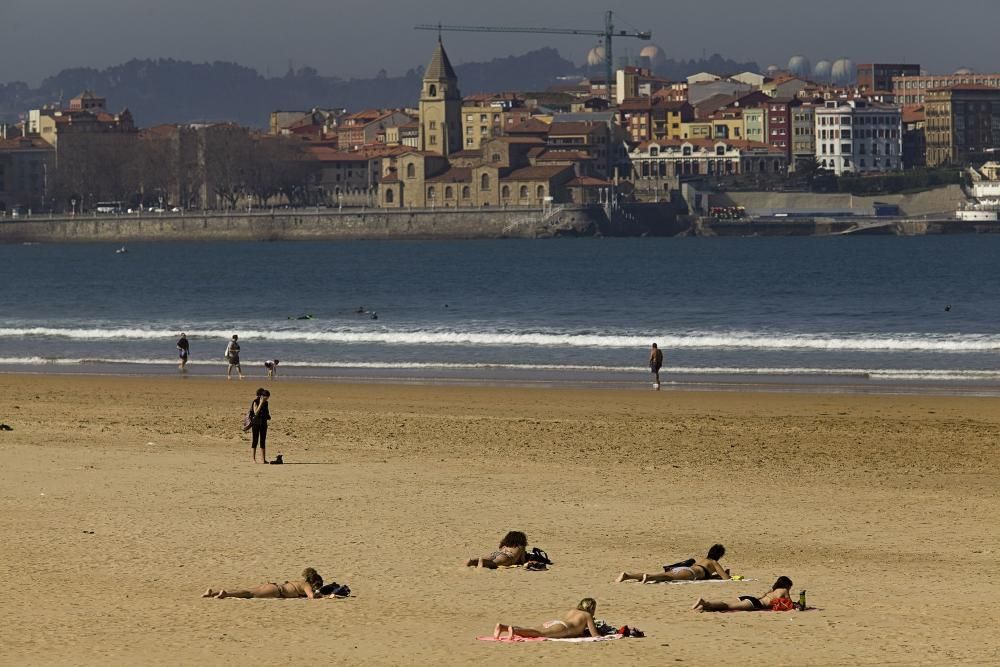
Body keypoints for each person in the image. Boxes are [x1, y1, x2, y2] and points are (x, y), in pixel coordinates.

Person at [493, 598, 601, 640]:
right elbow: (595, 635)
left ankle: (504, 627)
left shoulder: (573, 611)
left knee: (533, 630)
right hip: (564, 627)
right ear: (592, 608)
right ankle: (514, 630)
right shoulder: (587, 615)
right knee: (539, 634)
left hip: (556, 622)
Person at [617, 544, 729, 583]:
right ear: (719, 555)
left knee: (666, 575)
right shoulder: (713, 562)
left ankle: (628, 576)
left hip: (684, 569)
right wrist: (725, 573)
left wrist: (715, 576)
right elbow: (726, 578)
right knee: (666, 577)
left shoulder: (703, 559)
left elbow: (706, 575)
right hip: (690, 573)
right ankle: (649, 577)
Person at [203, 567, 323, 599]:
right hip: (276, 591)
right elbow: (311, 597)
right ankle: (226, 594)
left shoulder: (298, 582)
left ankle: (213, 593)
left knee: (247, 590)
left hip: (273, 585)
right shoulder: (306, 585)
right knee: (249, 594)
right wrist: (319, 595)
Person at [692, 576, 794, 612]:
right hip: (756, 604)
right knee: (727, 606)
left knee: (725, 604)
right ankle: (705, 603)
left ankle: (703, 607)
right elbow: (790, 604)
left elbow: (761, 596)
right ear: (787, 585)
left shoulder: (771, 590)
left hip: (749, 598)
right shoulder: (784, 590)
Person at [249, 388, 271, 464]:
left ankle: (263, 459)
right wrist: (261, 403)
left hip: (263, 423)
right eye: (266, 397)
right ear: (261, 396)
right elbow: (256, 412)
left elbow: (267, 412)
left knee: (263, 441)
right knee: (255, 441)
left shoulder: (266, 403)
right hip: (255, 423)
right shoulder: (255, 402)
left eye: (268, 397)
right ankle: (253, 459)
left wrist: (268, 416)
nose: (267, 399)